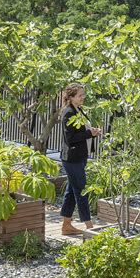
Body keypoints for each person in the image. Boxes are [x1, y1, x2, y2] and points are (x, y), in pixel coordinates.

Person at [59, 82, 101, 235]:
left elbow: (82, 131)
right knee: (82, 190)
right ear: (71, 97)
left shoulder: (78, 110)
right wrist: (90, 133)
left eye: (83, 94)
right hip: (72, 159)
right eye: (80, 95)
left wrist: (92, 131)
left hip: (80, 156)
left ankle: (66, 226)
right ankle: (90, 227)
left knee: (72, 191)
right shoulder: (68, 113)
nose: (83, 97)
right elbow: (70, 138)